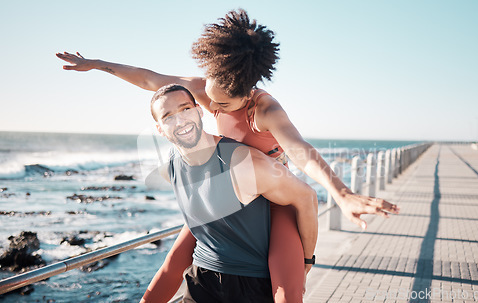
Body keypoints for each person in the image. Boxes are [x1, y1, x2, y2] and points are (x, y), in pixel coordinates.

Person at [56, 9, 399, 302]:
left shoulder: (264, 109)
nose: (211, 107)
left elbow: (300, 151)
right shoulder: (206, 89)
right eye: (209, 98)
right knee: (174, 262)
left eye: (222, 105)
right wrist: (97, 64)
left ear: (247, 94)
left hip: (271, 197)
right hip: (225, 192)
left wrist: (341, 193)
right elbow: (149, 79)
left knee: (288, 291)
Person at [147, 83, 318, 302]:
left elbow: (306, 196)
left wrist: (306, 260)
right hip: (201, 278)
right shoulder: (170, 167)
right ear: (160, 128)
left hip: (251, 284)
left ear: (199, 111)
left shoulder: (244, 163)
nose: (180, 120)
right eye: (168, 116)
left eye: (185, 109)